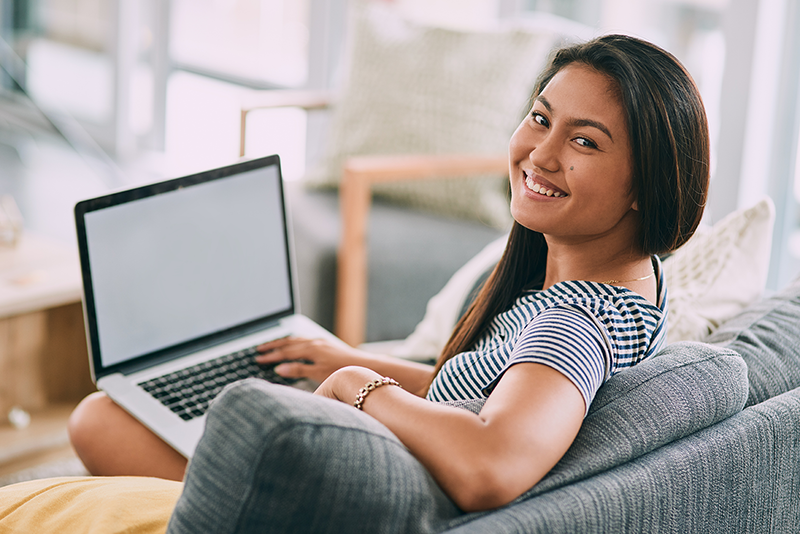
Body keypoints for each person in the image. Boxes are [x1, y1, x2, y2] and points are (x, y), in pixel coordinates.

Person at [68, 34, 709, 513]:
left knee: (99, 421)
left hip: (357, 498)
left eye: (585, 141)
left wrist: (357, 386)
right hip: (382, 459)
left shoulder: (576, 320)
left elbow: (492, 460)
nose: (540, 153)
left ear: (645, 186)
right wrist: (348, 358)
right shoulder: (629, 285)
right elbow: (490, 395)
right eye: (541, 118)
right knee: (112, 416)